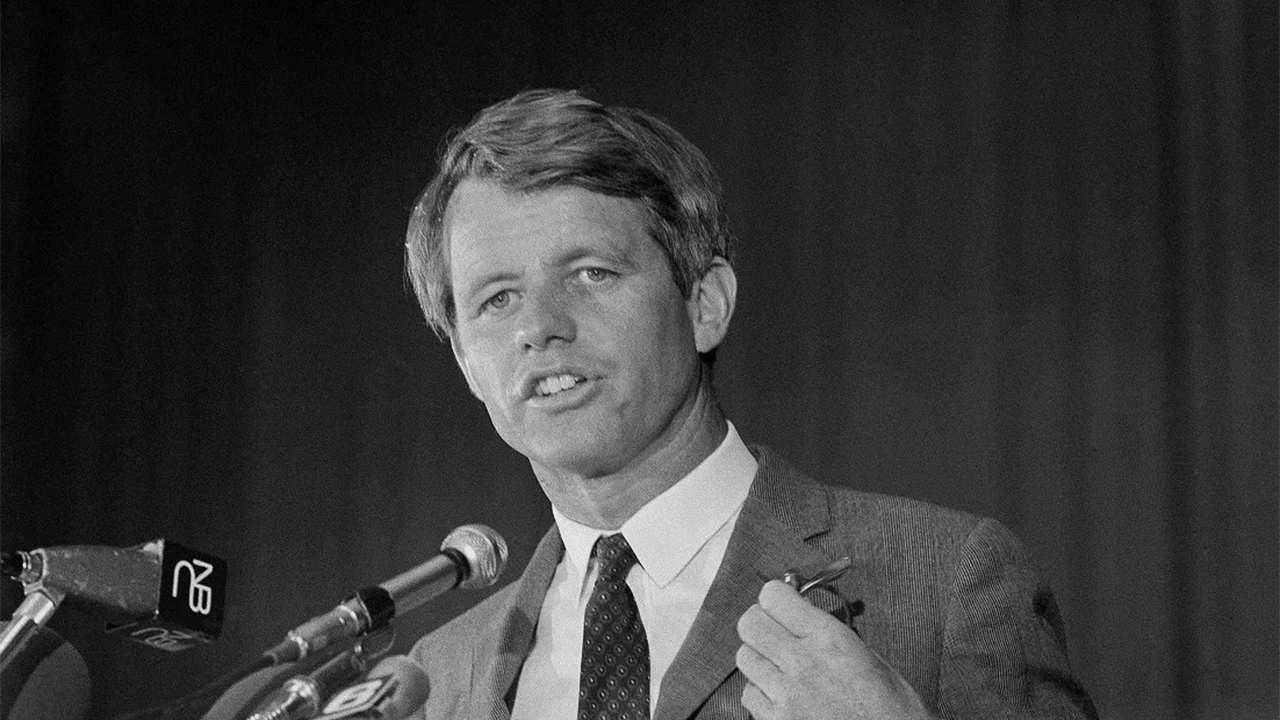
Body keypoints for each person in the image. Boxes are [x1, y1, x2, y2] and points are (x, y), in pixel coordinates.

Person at [401, 88, 1098, 720]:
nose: (539, 327)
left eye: (590, 273)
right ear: (466, 362)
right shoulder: (436, 679)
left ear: (705, 305)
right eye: (496, 300)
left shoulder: (949, 587)